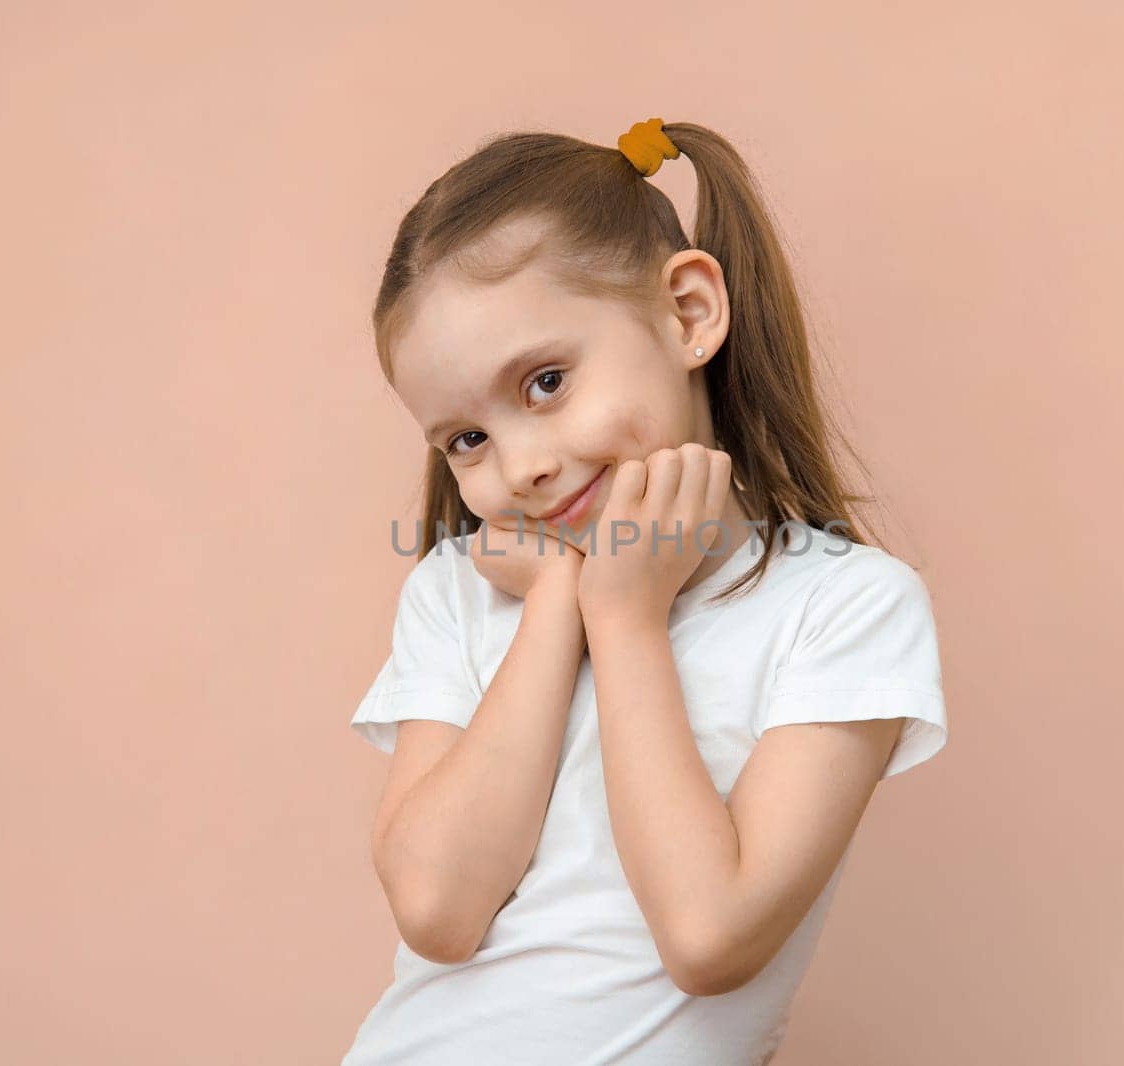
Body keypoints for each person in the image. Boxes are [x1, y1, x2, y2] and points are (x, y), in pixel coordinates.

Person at [343, 118, 948, 1065]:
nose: (522, 466)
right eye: (466, 439)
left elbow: (710, 937)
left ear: (689, 312)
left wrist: (623, 618)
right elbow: (436, 909)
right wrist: (555, 602)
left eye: (545, 382)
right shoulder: (461, 594)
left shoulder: (844, 608)